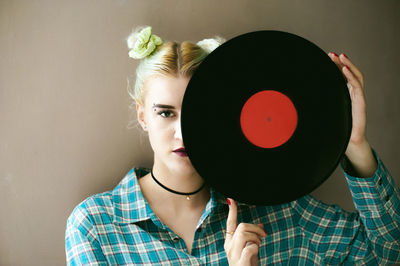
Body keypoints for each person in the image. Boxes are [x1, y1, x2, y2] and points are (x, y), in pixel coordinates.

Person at [65, 26, 400, 265]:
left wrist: (354, 144)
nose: (183, 133)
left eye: (199, 115)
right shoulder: (96, 226)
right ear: (142, 116)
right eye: (165, 113)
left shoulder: (279, 212)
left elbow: (387, 252)